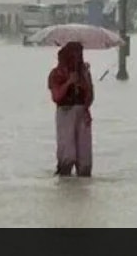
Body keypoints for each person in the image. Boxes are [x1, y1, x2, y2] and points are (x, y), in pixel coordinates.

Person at [47, 41, 94, 177]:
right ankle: (64, 184)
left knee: (84, 159)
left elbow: (90, 97)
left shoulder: (83, 73)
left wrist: (86, 82)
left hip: (82, 114)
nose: (78, 58)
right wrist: (68, 83)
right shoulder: (56, 74)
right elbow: (56, 97)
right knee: (67, 155)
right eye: (74, 54)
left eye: (80, 54)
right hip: (65, 112)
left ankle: (82, 187)